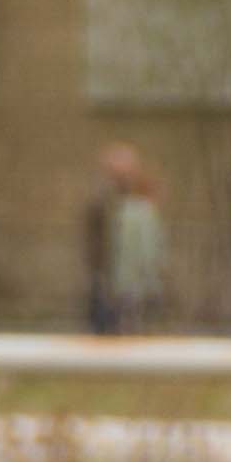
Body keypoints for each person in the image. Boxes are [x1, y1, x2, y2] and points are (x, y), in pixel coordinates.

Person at [83, 143, 170, 336]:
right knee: (105, 329)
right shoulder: (103, 204)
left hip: (128, 283)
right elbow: (96, 242)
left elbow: (148, 249)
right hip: (108, 279)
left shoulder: (138, 209)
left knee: (128, 327)